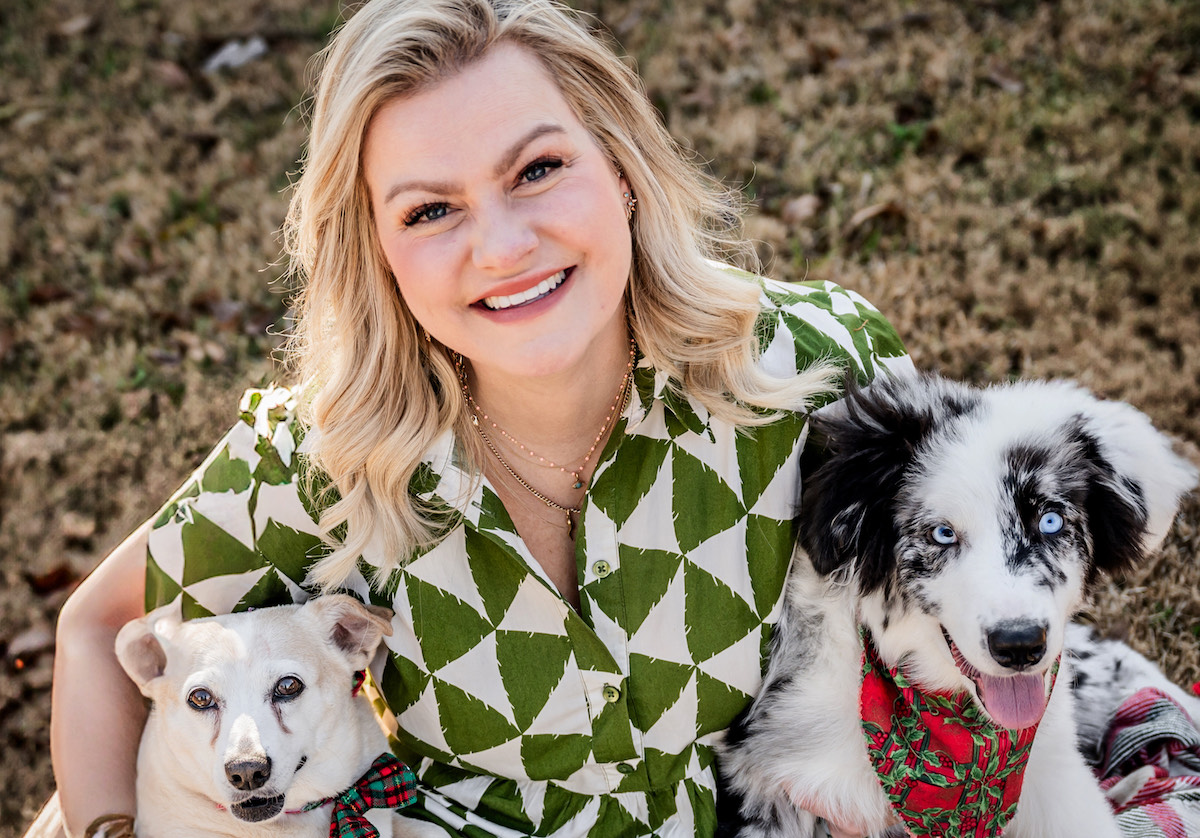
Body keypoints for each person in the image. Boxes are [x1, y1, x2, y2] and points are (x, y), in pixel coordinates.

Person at [46, 1, 911, 836]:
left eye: (537, 170)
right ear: (377, 251)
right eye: (430, 211)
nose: (501, 247)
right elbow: (94, 635)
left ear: (618, 162)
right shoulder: (326, 460)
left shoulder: (810, 369)